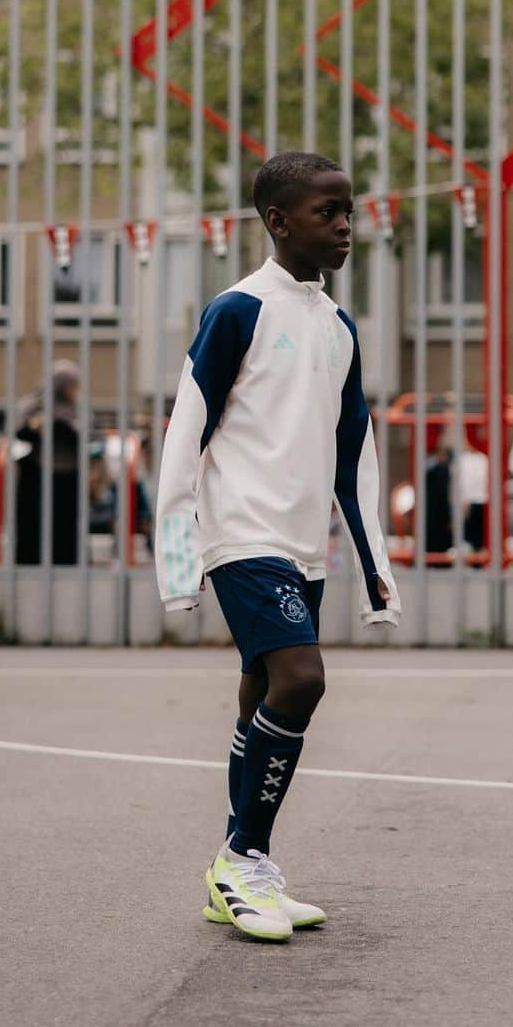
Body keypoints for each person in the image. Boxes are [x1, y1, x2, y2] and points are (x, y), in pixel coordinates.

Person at [155, 151, 401, 944]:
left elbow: (352, 449)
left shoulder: (336, 326)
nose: (343, 226)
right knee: (301, 680)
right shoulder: (238, 310)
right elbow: (185, 428)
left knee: (262, 684)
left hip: (301, 543)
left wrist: (373, 571)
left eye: (349, 212)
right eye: (326, 212)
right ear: (276, 221)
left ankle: (241, 868)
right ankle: (245, 857)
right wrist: (178, 561)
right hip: (242, 533)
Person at [14, 359, 83, 566]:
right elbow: (16, 432)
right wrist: (36, 426)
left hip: (68, 478)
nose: (75, 390)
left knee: (65, 528)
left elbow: (87, 435)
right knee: (34, 526)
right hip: (37, 475)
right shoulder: (33, 406)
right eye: (71, 385)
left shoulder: (76, 408)